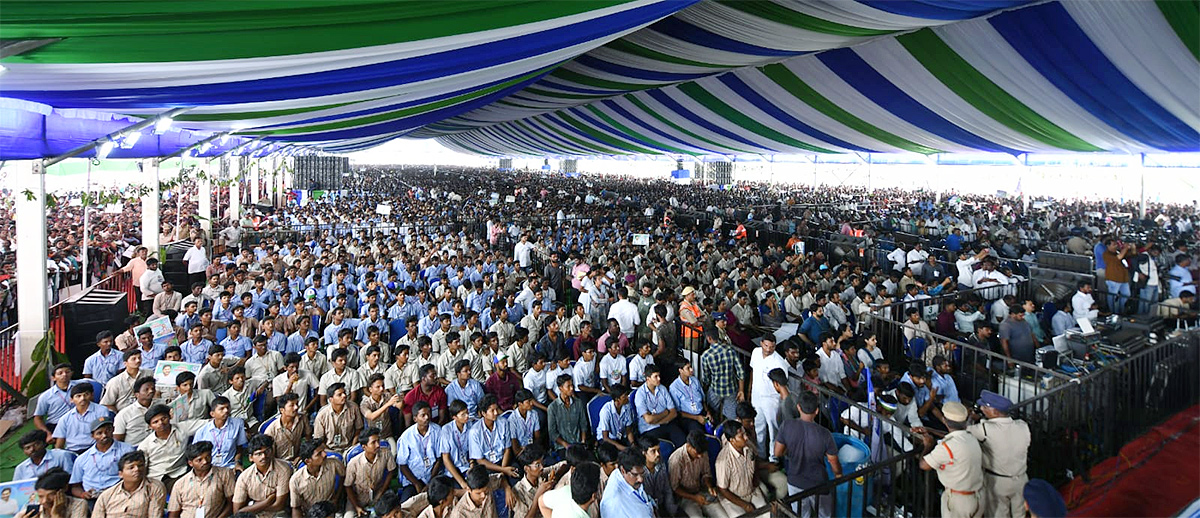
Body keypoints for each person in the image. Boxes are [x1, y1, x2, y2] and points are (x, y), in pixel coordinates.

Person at [774, 393, 841, 518]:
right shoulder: (825, 434)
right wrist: (838, 474)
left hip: (795, 481)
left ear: (798, 407)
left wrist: (790, 451)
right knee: (824, 514)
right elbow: (833, 461)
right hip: (818, 484)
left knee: (801, 514)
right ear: (816, 411)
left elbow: (777, 452)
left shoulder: (787, 426)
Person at [968, 391, 1030, 518]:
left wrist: (970, 418)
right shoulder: (1023, 426)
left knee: (998, 514)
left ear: (995, 412)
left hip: (998, 482)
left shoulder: (985, 429)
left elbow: (965, 432)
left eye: (985, 407)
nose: (981, 409)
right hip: (1021, 479)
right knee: (1020, 514)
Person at [920, 402, 984, 518]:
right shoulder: (971, 437)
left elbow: (924, 465)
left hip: (958, 501)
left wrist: (928, 445)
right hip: (977, 496)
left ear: (944, 420)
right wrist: (930, 430)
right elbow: (954, 435)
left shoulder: (947, 447)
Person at [69, 417, 135, 503]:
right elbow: (75, 487)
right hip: (92, 498)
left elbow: (134, 475)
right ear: (92, 436)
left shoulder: (127, 450)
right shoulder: (82, 458)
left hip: (119, 494)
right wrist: (83, 494)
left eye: (108, 430)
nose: (104, 435)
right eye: (99, 433)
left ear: (113, 430)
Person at [169, 441, 238, 518]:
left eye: (208, 457)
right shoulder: (180, 484)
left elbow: (231, 503)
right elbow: (174, 513)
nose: (205, 462)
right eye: (199, 460)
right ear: (190, 463)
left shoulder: (225, 474)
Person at [715, 420, 768, 517]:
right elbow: (723, 489)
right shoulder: (723, 461)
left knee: (767, 514)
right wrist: (745, 505)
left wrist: (755, 479)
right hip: (733, 498)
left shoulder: (749, 447)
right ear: (732, 440)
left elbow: (754, 462)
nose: (746, 437)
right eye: (741, 436)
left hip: (751, 491)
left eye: (745, 434)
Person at [232, 435, 293, 518]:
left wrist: (253, 506)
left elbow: (279, 505)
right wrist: (268, 501)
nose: (264, 456)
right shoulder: (244, 477)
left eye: (267, 451)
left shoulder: (283, 469)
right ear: (251, 458)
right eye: (259, 454)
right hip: (253, 515)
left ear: (272, 451)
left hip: (276, 513)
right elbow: (237, 511)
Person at [669, 430, 726, 518]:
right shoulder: (676, 460)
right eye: (697, 453)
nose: (700, 456)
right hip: (686, 497)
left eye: (702, 453)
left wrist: (709, 487)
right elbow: (675, 487)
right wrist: (694, 497)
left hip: (701, 491)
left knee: (722, 516)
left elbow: (706, 473)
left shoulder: (702, 452)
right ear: (688, 446)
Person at [92, 451, 167, 518]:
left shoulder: (154, 488)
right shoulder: (107, 495)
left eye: (140, 465)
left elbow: (155, 515)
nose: (137, 469)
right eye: (131, 467)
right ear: (121, 474)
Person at [748, 337, 788, 457]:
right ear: (761, 343)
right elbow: (752, 371)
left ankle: (773, 457)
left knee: (773, 429)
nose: (768, 349)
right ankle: (761, 454)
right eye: (766, 346)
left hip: (771, 399)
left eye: (772, 347)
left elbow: (782, 384)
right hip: (756, 395)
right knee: (758, 426)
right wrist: (749, 390)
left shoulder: (779, 362)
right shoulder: (755, 352)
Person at [345, 428, 397, 518]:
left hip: (379, 492)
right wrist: (357, 507)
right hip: (358, 497)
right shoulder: (353, 463)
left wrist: (382, 490)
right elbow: (348, 486)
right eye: (373, 442)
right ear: (364, 447)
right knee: (348, 516)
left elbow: (391, 471)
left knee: (392, 512)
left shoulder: (386, 453)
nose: (377, 445)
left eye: (378, 441)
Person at [396, 401, 442, 501]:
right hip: (413, 480)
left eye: (428, 414)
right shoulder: (406, 436)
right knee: (406, 504)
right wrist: (416, 483)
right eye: (423, 415)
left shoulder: (437, 431)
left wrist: (430, 482)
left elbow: (439, 459)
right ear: (415, 418)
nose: (427, 417)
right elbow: (402, 465)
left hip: (432, 478)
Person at [699, 328, 746, 421]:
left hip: (716, 389)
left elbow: (706, 377)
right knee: (732, 418)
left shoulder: (706, 356)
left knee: (710, 410)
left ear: (709, 339)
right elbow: (741, 372)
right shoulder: (730, 350)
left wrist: (705, 385)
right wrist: (741, 390)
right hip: (731, 389)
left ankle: (714, 425)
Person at [137, 404, 189, 489]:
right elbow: (142, 467)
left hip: (180, 471)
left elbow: (204, 423)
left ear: (169, 417)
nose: (161, 423)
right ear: (150, 426)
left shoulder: (182, 429)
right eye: (155, 422)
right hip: (158, 477)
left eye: (163, 418)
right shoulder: (145, 445)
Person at [633, 365, 685, 446]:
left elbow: (673, 412)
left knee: (682, 441)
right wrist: (665, 413)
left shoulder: (662, 389)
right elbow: (649, 420)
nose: (659, 379)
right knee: (662, 447)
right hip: (649, 429)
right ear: (648, 378)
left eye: (659, 376)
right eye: (655, 377)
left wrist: (659, 421)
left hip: (666, 423)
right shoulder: (640, 394)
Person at [53, 383, 113, 453]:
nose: (83, 398)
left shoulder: (101, 410)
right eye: (78, 396)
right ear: (71, 400)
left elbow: (105, 432)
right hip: (73, 451)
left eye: (86, 394)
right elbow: (60, 444)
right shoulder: (65, 418)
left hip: (95, 449)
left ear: (92, 395)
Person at [191, 396, 248, 469]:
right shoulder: (202, 432)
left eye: (228, 407)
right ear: (212, 414)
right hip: (210, 467)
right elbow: (196, 454)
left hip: (230, 466)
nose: (226, 411)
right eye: (221, 409)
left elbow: (239, 447)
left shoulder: (238, 424)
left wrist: (237, 463)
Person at [599, 449, 655, 518]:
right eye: (635, 475)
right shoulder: (614, 502)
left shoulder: (627, 479)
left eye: (642, 473)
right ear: (623, 471)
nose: (640, 479)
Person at [12, 468, 88, 518]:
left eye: (51, 495)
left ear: (64, 489)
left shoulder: (78, 505)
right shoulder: (34, 510)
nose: (45, 501)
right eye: (41, 496)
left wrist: (56, 515)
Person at [33, 363, 80, 443]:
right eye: (60, 373)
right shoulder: (46, 396)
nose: (64, 374)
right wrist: (47, 433)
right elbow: (38, 418)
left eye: (67, 372)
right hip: (56, 425)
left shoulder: (80, 386)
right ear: (53, 378)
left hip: (78, 420)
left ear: (71, 373)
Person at [313, 382, 362, 454]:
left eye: (344, 393)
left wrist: (352, 446)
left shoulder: (353, 407)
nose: (344, 396)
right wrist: (331, 453)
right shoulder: (322, 415)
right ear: (331, 399)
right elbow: (319, 440)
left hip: (349, 448)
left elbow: (358, 429)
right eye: (339, 395)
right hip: (329, 450)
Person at [547, 374, 589, 451]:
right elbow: (552, 433)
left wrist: (583, 441)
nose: (572, 388)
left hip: (578, 443)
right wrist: (567, 445)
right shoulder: (553, 408)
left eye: (572, 385)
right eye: (568, 386)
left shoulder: (578, 403)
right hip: (563, 447)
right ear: (561, 388)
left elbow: (583, 424)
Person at [597, 384, 635, 450]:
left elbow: (628, 430)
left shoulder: (627, 406)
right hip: (608, 439)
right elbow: (605, 437)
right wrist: (624, 449)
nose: (627, 397)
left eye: (627, 395)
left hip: (621, 436)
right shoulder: (606, 411)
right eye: (624, 396)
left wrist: (632, 444)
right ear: (617, 399)